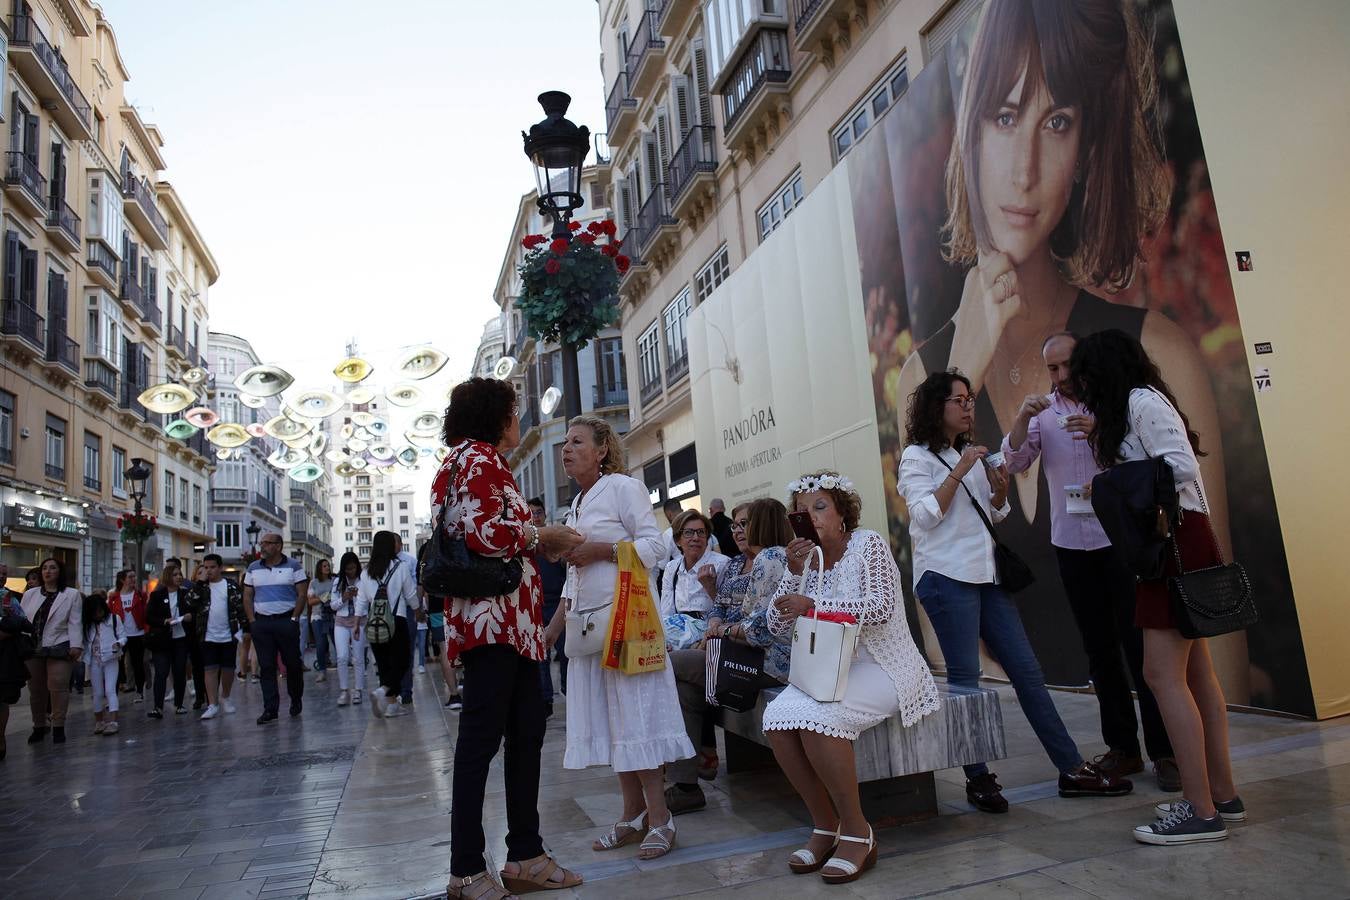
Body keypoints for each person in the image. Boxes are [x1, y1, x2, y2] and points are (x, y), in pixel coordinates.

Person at [892, 0, 1237, 696]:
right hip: (1034, 748)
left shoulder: (1157, 354)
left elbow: (1216, 646)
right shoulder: (925, 375)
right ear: (971, 135)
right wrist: (968, 366)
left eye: (1057, 122)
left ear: (1085, 150)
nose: (1022, 169)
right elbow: (942, 627)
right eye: (1005, 115)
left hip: (1154, 709)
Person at [899, 371, 1131, 814]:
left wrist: (1000, 494)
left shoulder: (962, 452)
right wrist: (962, 470)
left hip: (987, 576)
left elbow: (993, 514)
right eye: (958, 400)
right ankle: (977, 776)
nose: (968, 407)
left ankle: (1070, 767)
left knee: (1027, 672)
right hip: (947, 578)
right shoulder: (917, 457)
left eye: (970, 399)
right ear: (936, 407)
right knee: (966, 682)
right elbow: (924, 517)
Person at [1069, 329, 1243, 845]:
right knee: (1194, 676)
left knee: (1161, 675)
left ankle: (1200, 809)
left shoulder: (1141, 402)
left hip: (1174, 545)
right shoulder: (1133, 407)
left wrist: (1118, 483)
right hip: (1176, 543)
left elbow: (1181, 466)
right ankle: (1221, 795)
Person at [1002, 331, 1178, 789]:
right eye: (1053, 369)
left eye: (1066, 367)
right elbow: (1016, 461)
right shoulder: (1046, 413)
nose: (1060, 378)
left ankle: (1166, 751)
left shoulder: (1116, 403)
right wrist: (1021, 418)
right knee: (1099, 650)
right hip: (1071, 544)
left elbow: (1154, 464)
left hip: (1120, 541)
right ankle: (1123, 749)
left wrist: (1102, 432)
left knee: (1143, 648)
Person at [435, 377, 585, 899]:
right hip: (492, 624)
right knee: (480, 743)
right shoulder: (476, 461)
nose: (518, 420)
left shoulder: (475, 462)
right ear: (498, 417)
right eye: (513, 411)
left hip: (513, 627)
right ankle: (467, 871)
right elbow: (479, 533)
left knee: (526, 735)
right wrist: (543, 537)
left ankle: (526, 856)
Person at [762, 471, 941, 885]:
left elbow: (880, 608)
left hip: (884, 665)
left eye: (821, 507)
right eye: (802, 512)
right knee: (778, 720)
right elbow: (774, 623)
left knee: (821, 719)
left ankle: (859, 832)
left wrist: (814, 602)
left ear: (843, 512)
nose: (812, 517)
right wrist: (792, 573)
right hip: (829, 667)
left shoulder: (868, 544)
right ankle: (826, 825)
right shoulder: (805, 562)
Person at [544, 414, 693, 863]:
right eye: (565, 443)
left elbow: (657, 548)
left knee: (635, 718)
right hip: (590, 632)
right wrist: (551, 631)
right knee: (613, 723)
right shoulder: (577, 505)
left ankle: (661, 816)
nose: (566, 449)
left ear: (602, 448)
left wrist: (603, 551)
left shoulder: (624, 488)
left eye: (576, 441)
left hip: (627, 625)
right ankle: (632, 814)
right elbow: (574, 579)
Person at [666, 501, 780, 814]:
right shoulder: (734, 564)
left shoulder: (772, 559)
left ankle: (680, 766)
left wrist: (720, 631)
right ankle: (686, 784)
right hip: (729, 652)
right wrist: (715, 623)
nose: (738, 531)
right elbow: (720, 607)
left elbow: (760, 626)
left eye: (745, 524)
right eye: (735, 526)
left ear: (763, 525)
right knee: (684, 688)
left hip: (760, 661)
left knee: (665, 667)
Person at [242, 533, 308, 725]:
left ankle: (295, 699)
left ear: (278, 546)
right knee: (267, 666)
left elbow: (302, 594)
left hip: (286, 621)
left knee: (292, 664)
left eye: (267, 543)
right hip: (262, 624)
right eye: (261, 543)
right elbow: (247, 596)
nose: (262, 547)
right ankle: (270, 709)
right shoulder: (253, 568)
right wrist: (253, 621)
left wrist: (294, 618)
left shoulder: (294, 566)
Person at [357, 531, 421, 720]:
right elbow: (410, 594)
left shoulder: (366, 571)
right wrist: (418, 612)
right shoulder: (400, 567)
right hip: (397, 620)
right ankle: (383, 691)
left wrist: (355, 623)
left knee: (384, 664)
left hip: (374, 622)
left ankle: (392, 706)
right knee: (402, 662)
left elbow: (361, 600)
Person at [21, 557, 84, 744]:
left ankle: (58, 726)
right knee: (36, 690)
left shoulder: (71, 594)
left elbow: (75, 621)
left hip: (59, 644)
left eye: (52, 568)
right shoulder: (30, 594)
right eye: (45, 568)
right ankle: (39, 725)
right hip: (34, 647)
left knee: (58, 687)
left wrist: (76, 645)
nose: (48, 571)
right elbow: (24, 620)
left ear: (60, 572)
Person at [529, 497, 568, 718]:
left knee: (565, 653)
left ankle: (566, 690)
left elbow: (567, 568)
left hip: (557, 604)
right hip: (535, 606)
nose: (536, 517)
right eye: (532, 513)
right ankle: (545, 701)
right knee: (540, 657)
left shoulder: (555, 539)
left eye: (539, 512)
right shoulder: (526, 544)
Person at [195, 554, 244, 720]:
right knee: (210, 669)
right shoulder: (201, 588)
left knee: (228, 668)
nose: (209, 570)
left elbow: (240, 607)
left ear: (220, 568)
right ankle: (212, 704)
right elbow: (188, 602)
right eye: (206, 567)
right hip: (207, 635)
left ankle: (226, 696)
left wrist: (245, 628)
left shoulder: (231, 586)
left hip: (228, 633)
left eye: (212, 567)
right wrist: (200, 582)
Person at [658, 510, 730, 621]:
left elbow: (730, 612)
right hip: (680, 632)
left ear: (707, 539)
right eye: (688, 532)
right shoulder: (672, 568)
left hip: (711, 632)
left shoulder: (723, 564)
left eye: (701, 532)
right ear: (677, 541)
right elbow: (666, 613)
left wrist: (711, 588)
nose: (696, 538)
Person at [146, 564, 197, 718]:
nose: (179, 577)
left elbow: (195, 611)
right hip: (163, 640)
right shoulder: (157, 595)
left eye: (180, 574)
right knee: (161, 672)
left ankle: (179, 704)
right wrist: (164, 621)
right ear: (168, 577)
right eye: (175, 574)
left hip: (181, 638)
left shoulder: (186, 594)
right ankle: (158, 706)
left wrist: (190, 616)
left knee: (179, 671)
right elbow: (149, 617)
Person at [0, 571, 32, 759]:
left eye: (4, 574)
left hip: (4, 655)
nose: (1, 576)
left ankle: (1, 737)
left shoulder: (11, 599)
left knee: (2, 698)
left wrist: (12, 620)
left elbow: (24, 624)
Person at [83, 592, 124, 736]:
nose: (98, 615)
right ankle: (99, 721)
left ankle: (113, 721)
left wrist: (118, 643)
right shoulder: (88, 625)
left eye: (99, 611)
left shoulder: (114, 619)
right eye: (94, 613)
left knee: (110, 690)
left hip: (111, 658)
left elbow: (123, 635)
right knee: (97, 692)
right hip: (94, 660)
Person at [330, 552, 366, 707]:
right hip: (341, 622)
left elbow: (368, 602)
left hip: (360, 621)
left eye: (353, 568)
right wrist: (344, 597)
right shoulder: (338, 581)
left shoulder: (363, 580)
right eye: (348, 569)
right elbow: (333, 605)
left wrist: (357, 596)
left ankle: (358, 689)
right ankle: (344, 690)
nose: (351, 571)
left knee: (358, 657)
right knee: (342, 657)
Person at [109, 570, 148, 703]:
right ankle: (114, 694)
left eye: (134, 576)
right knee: (116, 665)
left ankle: (139, 691)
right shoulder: (114, 597)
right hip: (120, 636)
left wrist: (146, 630)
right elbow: (110, 616)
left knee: (138, 664)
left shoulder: (141, 595)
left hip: (137, 634)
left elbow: (146, 613)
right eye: (130, 577)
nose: (133, 579)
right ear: (122, 580)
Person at [395, 534, 424, 705]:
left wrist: (417, 608)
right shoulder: (383, 564)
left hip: (407, 609)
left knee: (407, 649)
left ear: (400, 543)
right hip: (391, 612)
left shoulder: (409, 561)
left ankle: (406, 689)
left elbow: (414, 585)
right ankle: (395, 687)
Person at [307, 560, 335, 683]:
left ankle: (343, 664)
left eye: (328, 565)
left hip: (333, 616)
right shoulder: (313, 583)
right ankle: (321, 670)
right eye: (324, 566)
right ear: (319, 568)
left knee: (337, 642)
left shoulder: (334, 581)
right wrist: (324, 597)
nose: (327, 567)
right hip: (318, 616)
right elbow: (310, 601)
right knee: (320, 643)